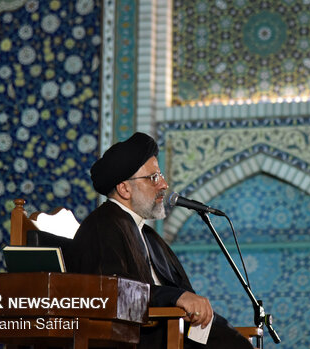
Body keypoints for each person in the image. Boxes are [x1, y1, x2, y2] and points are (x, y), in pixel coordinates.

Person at [71, 132, 253, 349]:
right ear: (124, 188)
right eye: (153, 178)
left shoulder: (147, 235)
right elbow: (112, 292)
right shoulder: (102, 227)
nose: (164, 184)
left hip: (172, 332)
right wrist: (174, 297)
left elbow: (185, 296)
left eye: (161, 175)